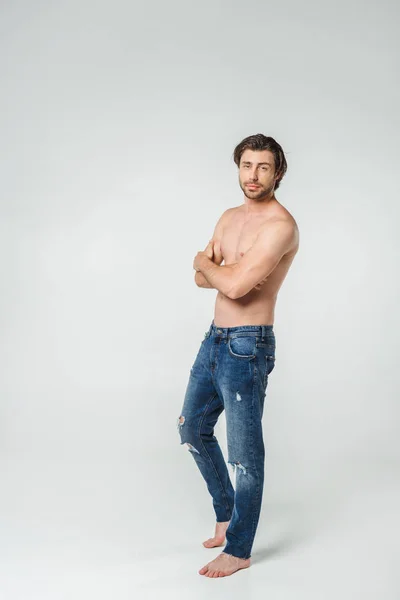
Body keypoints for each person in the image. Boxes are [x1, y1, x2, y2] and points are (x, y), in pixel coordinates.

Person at [177, 133, 299, 577]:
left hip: (248, 344)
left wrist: (209, 264)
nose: (253, 175)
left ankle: (240, 549)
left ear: (277, 173)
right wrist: (221, 271)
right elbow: (201, 280)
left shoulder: (281, 226)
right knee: (192, 428)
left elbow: (229, 284)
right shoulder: (228, 217)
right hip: (214, 338)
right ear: (238, 168)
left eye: (263, 167)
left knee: (245, 456)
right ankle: (226, 514)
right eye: (247, 165)